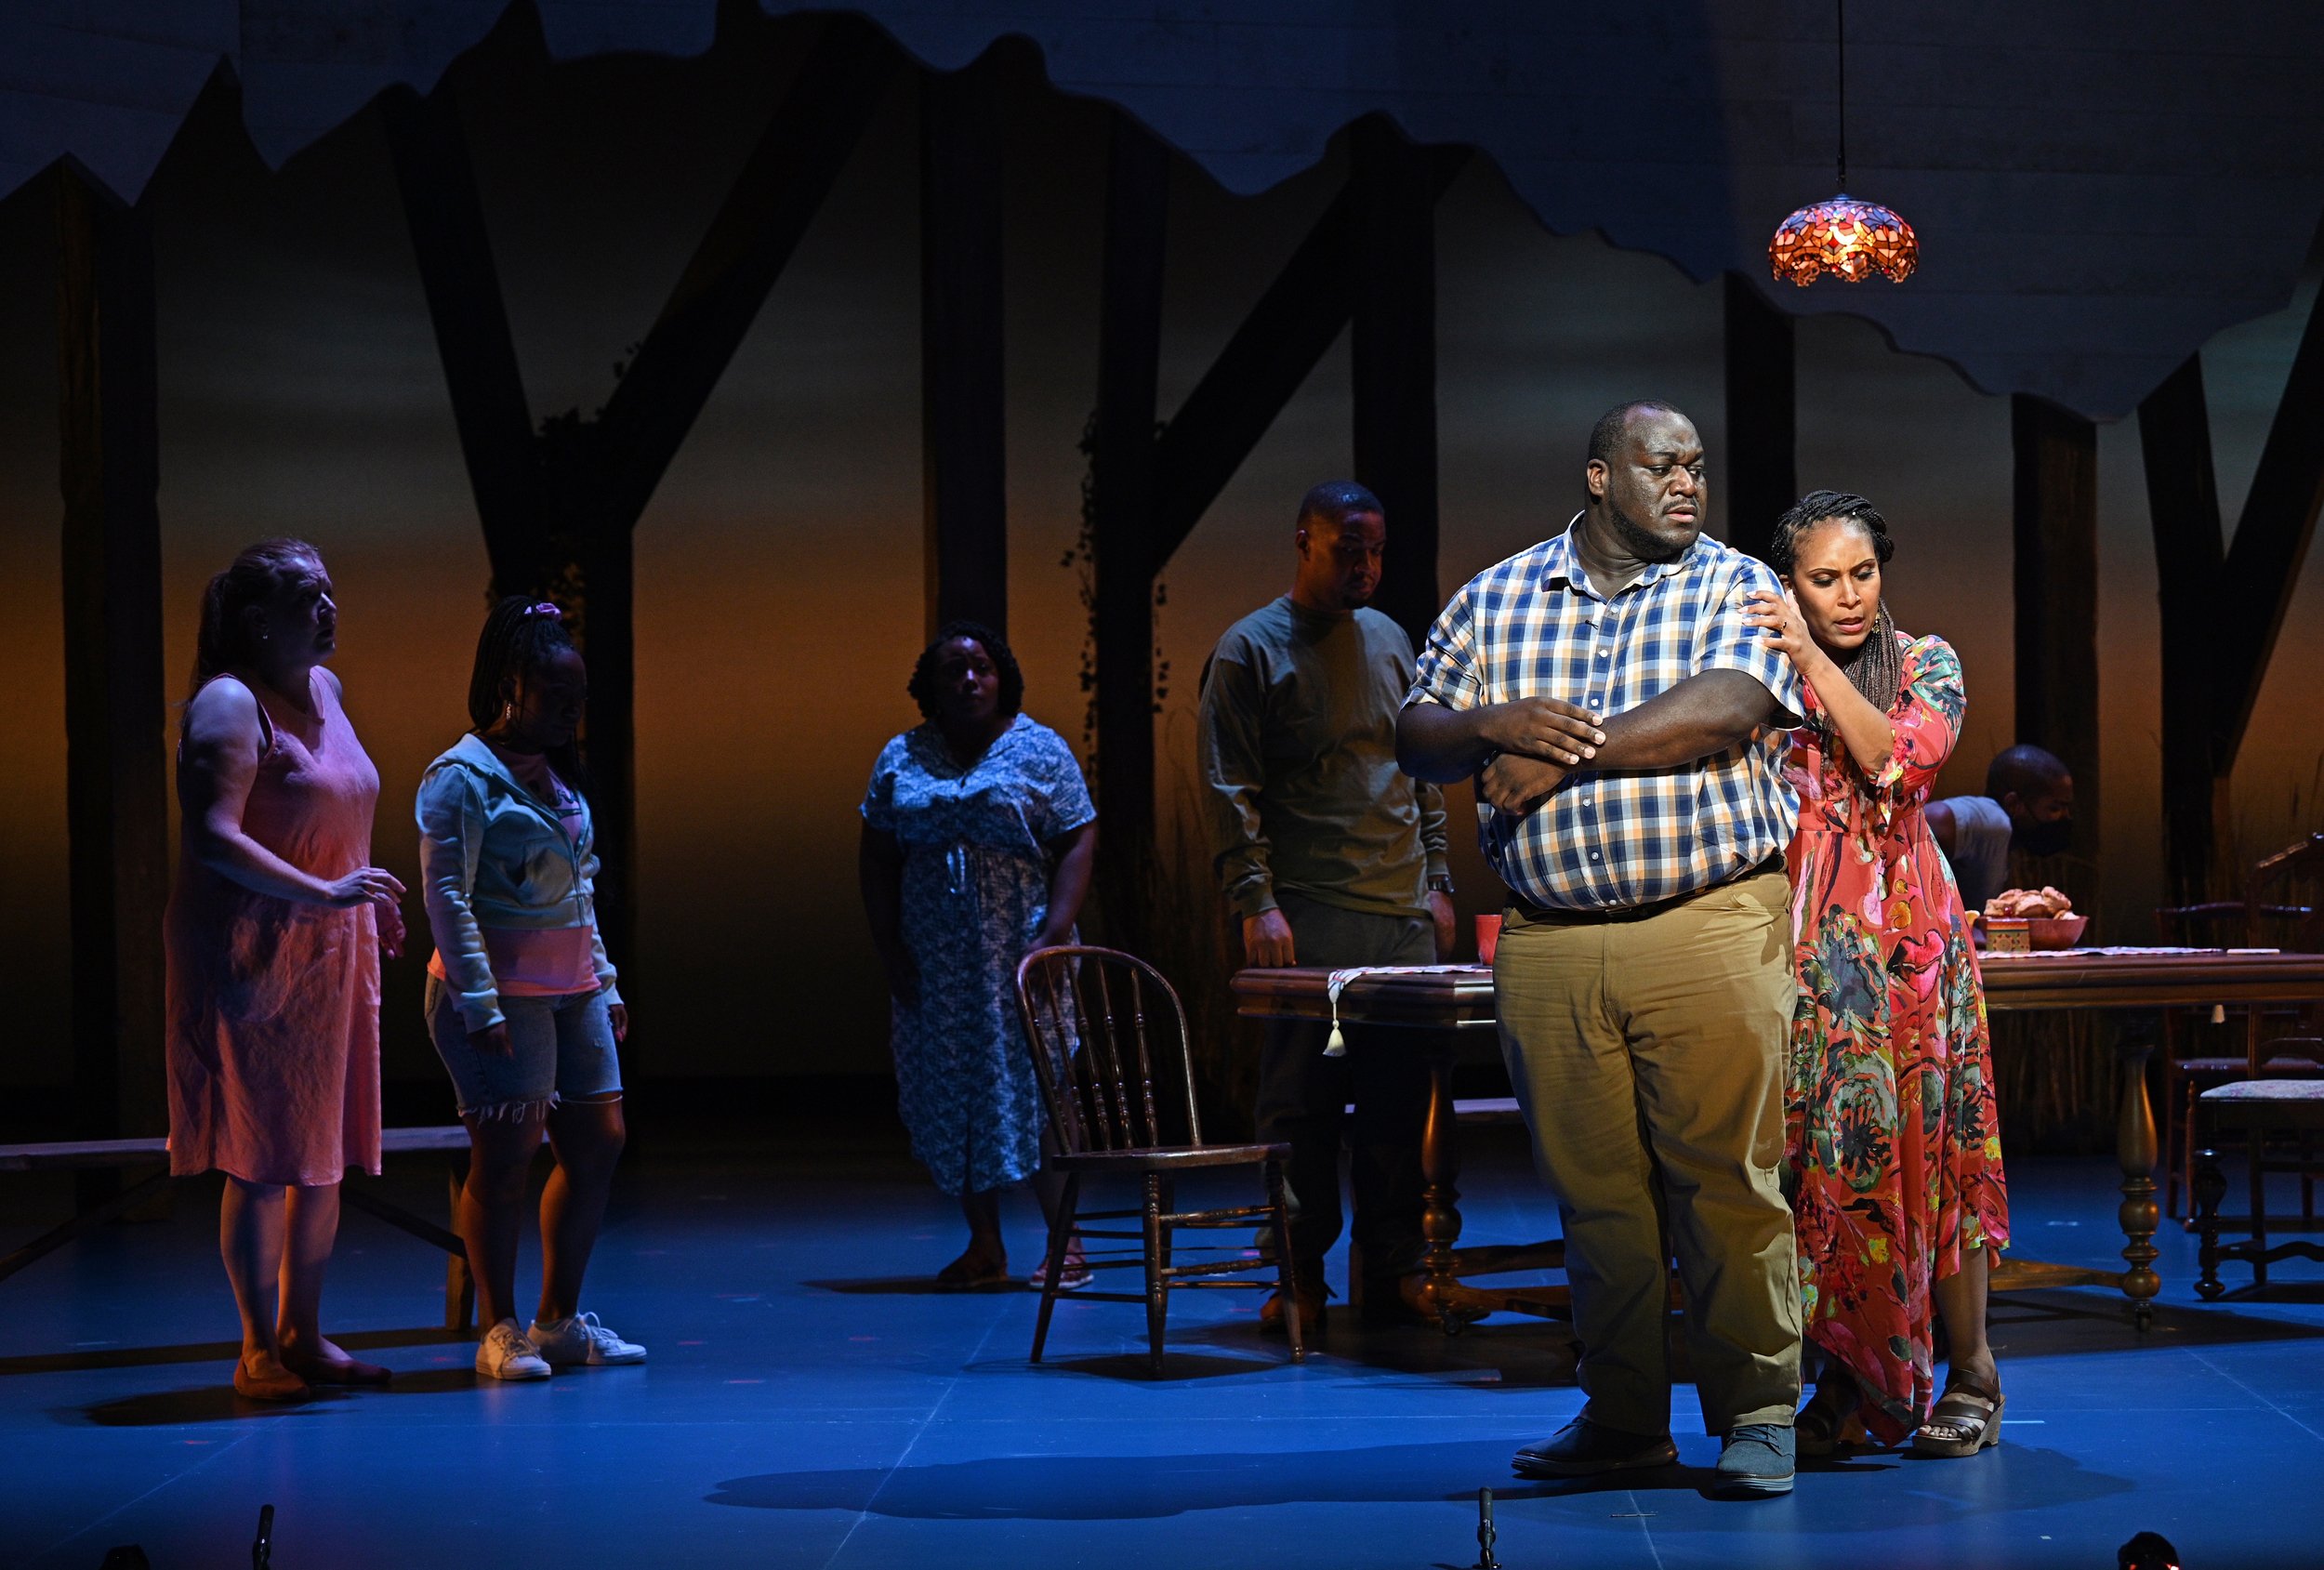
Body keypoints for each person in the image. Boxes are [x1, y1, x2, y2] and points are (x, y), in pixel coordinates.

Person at [1397, 401, 1805, 1497]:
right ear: (1595, 476)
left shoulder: (1733, 584)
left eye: (1697, 466)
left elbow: (1725, 707)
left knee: (1727, 1183)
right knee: (1597, 1199)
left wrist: (1562, 755)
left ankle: (1760, 1414)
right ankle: (1624, 1414)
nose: (1687, 483)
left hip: (1707, 922)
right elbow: (1416, 729)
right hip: (1552, 940)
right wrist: (1497, 725)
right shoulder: (1498, 595)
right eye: (1659, 464)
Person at [1742, 490, 2010, 1457]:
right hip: (1805, 954)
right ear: (1788, 585)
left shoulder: (1925, 663)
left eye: (1862, 573)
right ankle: (1851, 1382)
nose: (1848, 596)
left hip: (1908, 955)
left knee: (1937, 1155)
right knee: (1828, 1166)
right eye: (1823, 580)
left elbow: (1896, 766)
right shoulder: (1756, 679)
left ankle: (1971, 1372)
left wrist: (1809, 657)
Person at [1195, 480, 1454, 1335]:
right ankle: (1298, 1274)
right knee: (1301, 1104)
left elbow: (1419, 765)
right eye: (1349, 548)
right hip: (1309, 912)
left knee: (1399, 1104)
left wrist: (1439, 881)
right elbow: (1231, 787)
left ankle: (1393, 1269)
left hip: (1399, 909)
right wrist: (1256, 900)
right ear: (1303, 540)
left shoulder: (1388, 638)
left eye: (1376, 550)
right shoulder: (1251, 649)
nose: (1366, 566)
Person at [166, 539, 405, 1402]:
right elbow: (212, 836)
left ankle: (305, 1330)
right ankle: (256, 1345)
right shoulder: (230, 703)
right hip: (254, 950)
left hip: (331, 951)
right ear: (259, 619)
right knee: (266, 1155)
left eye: (332, 592)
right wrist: (327, 889)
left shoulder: (326, 692)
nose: (330, 608)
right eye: (312, 597)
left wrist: (369, 895)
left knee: (325, 1151)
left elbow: (341, 805)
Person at [417, 598, 644, 1380]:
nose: (571, 716)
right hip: (499, 994)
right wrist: (479, 1004)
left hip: (571, 985)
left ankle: (559, 1321)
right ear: (511, 685)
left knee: (599, 1142)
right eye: (557, 700)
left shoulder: (559, 776)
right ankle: (500, 1328)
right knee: (507, 1155)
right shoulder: (461, 778)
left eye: (579, 702)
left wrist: (605, 980)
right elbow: (447, 897)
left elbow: (579, 887)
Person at [859, 622, 1097, 1287]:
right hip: (937, 959)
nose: (969, 679)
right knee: (953, 1089)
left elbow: (1079, 834)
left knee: (1045, 1088)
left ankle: (1067, 1240)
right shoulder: (902, 755)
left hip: (1022, 950)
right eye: (953, 671)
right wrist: (889, 945)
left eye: (981, 668)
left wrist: (1054, 930)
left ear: (1003, 677)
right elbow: (876, 854)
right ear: (929, 686)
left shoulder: (1038, 748)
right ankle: (985, 1243)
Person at [1925, 745, 2074, 916]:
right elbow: (1933, 817)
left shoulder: (2002, 839)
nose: (2065, 817)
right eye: (2055, 808)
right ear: (2013, 804)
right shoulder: (1993, 820)